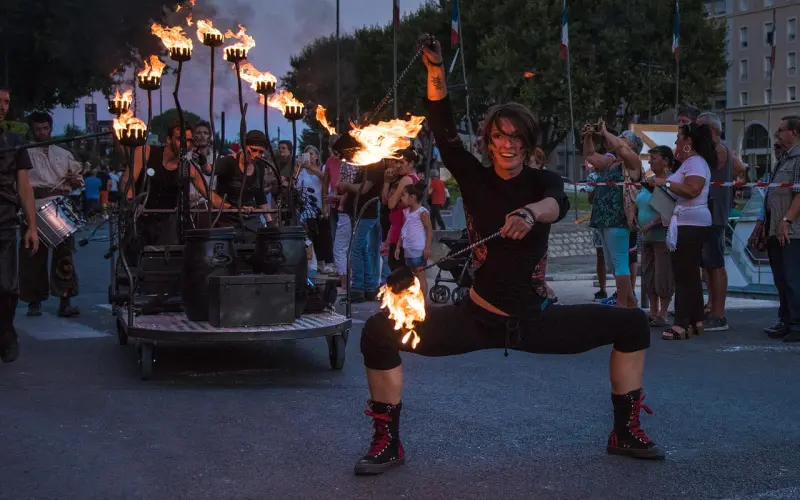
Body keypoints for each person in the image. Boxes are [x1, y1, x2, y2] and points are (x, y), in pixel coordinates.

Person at [353, 36, 663, 476]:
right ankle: (387, 442)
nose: (508, 144)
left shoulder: (544, 182)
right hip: (476, 318)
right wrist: (436, 70)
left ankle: (625, 432)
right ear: (488, 142)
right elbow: (442, 127)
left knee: (632, 324)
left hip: (535, 321)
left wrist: (530, 213)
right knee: (377, 332)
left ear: (528, 143)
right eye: (499, 136)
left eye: (517, 137)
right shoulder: (474, 178)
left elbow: (554, 205)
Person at [647, 122, 715, 340]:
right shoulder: (691, 163)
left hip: (691, 223)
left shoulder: (694, 163)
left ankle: (681, 324)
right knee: (690, 274)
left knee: (683, 275)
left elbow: (692, 190)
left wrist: (664, 183)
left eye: (678, 139)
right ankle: (696, 321)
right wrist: (657, 186)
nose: (675, 142)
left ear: (688, 142)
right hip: (686, 221)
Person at [20, 111, 84, 318]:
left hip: (59, 206)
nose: (42, 132)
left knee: (64, 256)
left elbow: (77, 179)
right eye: (37, 129)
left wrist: (75, 181)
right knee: (33, 256)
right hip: (33, 206)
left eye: (45, 128)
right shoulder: (24, 153)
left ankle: (65, 299)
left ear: (50, 128)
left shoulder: (62, 153)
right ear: (32, 130)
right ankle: (34, 301)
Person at [123, 121, 226, 246]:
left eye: (188, 140)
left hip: (167, 225)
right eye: (179, 139)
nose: (184, 144)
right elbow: (127, 183)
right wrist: (132, 204)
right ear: (169, 140)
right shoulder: (145, 152)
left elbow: (210, 195)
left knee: (167, 257)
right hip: (138, 220)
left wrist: (233, 208)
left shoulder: (188, 168)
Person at [582, 123, 644, 308]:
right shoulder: (611, 163)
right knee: (612, 263)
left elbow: (619, 147)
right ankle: (631, 302)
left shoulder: (633, 162)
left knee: (619, 262)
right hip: (603, 219)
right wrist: (588, 137)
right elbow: (590, 156)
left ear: (631, 146)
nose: (619, 139)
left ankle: (623, 304)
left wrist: (605, 132)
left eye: (624, 137)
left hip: (618, 219)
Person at [696, 112, 747, 332]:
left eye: (700, 129)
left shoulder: (716, 150)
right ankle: (712, 307)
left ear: (713, 131)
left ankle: (718, 314)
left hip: (713, 215)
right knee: (709, 265)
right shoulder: (721, 149)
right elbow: (739, 167)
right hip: (709, 213)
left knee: (715, 265)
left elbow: (738, 168)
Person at [750, 116, 800, 342]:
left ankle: (797, 325)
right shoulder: (784, 158)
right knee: (780, 278)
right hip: (775, 228)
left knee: (791, 278)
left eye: (781, 130)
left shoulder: (798, 158)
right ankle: (786, 320)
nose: (777, 135)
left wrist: (787, 221)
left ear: (794, 132)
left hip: (791, 230)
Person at [0, 87, 39, 363]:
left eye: (7, 102)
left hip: (4, 220)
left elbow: (24, 186)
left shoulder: (14, 141)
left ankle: (6, 332)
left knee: (6, 286)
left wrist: (32, 227)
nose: (4, 106)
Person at [637, 147, 675, 327]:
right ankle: (653, 310)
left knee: (663, 274)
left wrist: (651, 224)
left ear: (665, 161)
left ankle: (663, 311)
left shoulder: (670, 182)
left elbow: (671, 208)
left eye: (653, 158)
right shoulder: (649, 182)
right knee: (648, 273)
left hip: (662, 237)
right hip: (646, 237)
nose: (649, 161)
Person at [338, 159, 384, 302]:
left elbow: (364, 188)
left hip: (366, 213)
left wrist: (346, 185)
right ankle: (368, 287)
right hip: (358, 212)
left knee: (355, 249)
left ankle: (358, 288)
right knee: (362, 249)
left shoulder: (374, 164)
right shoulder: (366, 165)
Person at [212, 130, 270, 242]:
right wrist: (202, 161)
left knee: (256, 246)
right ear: (244, 146)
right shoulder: (228, 162)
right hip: (227, 217)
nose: (256, 155)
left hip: (250, 218)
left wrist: (269, 222)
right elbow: (210, 170)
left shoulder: (259, 165)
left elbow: (260, 194)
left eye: (260, 152)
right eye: (253, 150)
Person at [296, 145, 334, 272]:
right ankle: (317, 262)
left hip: (322, 205)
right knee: (312, 234)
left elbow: (325, 179)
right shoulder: (302, 172)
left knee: (324, 235)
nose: (310, 157)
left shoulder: (322, 168)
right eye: (307, 154)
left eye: (311, 154)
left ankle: (327, 263)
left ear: (317, 156)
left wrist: (311, 168)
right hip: (308, 207)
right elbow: (297, 187)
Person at [382, 149, 419, 272]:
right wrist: (387, 182)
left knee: (398, 272)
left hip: (401, 232)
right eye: (396, 162)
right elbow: (385, 201)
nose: (398, 166)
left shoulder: (406, 180)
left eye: (401, 163)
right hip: (405, 231)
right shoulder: (412, 179)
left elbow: (391, 204)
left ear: (411, 163)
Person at [395, 182, 432, 299]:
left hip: (418, 248)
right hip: (408, 248)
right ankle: (414, 299)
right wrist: (398, 246)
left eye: (404, 195)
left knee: (420, 274)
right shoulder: (406, 212)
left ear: (413, 197)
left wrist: (427, 248)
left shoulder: (422, 212)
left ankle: (423, 301)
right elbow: (403, 230)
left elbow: (429, 230)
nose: (401, 198)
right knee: (412, 276)